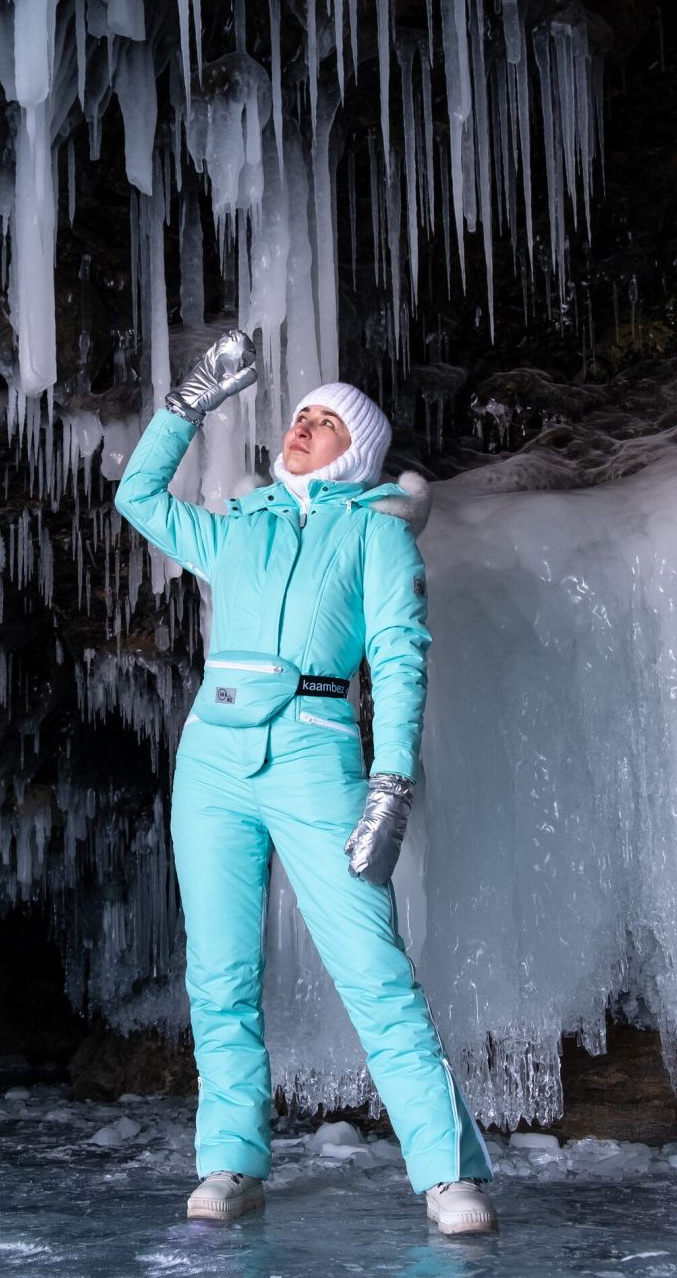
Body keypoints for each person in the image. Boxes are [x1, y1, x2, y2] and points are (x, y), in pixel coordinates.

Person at [113, 329, 498, 1237]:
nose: (302, 427)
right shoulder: (237, 525)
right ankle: (230, 1163)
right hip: (210, 758)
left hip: (315, 752)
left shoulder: (375, 531)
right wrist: (188, 403)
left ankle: (446, 1174)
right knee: (219, 977)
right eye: (298, 415)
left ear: (355, 449)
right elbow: (135, 496)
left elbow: (400, 660)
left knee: (373, 971)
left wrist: (391, 782)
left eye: (324, 422)